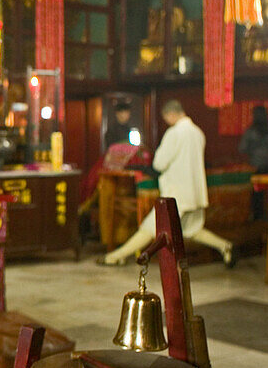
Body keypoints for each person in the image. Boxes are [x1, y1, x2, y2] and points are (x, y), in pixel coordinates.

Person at [97, 100, 235, 267]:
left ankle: (115, 257)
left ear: (170, 114)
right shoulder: (198, 132)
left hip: (177, 194)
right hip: (195, 193)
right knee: (193, 230)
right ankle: (226, 247)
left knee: (149, 228)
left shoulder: (174, 133)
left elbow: (159, 164)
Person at [238, 105, 268, 220]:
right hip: (267, 166)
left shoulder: (250, 132)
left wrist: (253, 149)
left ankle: (257, 217)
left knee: (256, 194)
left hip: (255, 166)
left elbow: (242, 148)